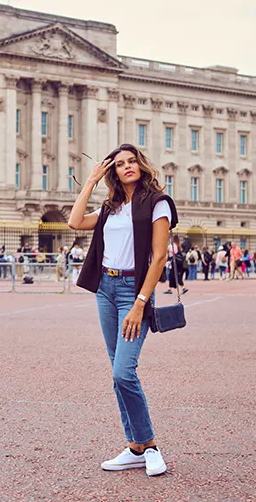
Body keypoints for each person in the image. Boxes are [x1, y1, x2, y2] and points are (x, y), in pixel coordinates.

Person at [68, 143, 175, 477]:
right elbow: (73, 222)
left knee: (123, 372)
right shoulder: (110, 206)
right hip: (106, 289)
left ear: (141, 165)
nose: (127, 167)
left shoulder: (157, 203)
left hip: (134, 291)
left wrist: (141, 303)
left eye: (132, 161)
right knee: (117, 371)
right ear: (112, 171)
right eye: (119, 164)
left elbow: (158, 257)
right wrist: (90, 181)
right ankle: (134, 448)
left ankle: (151, 446)